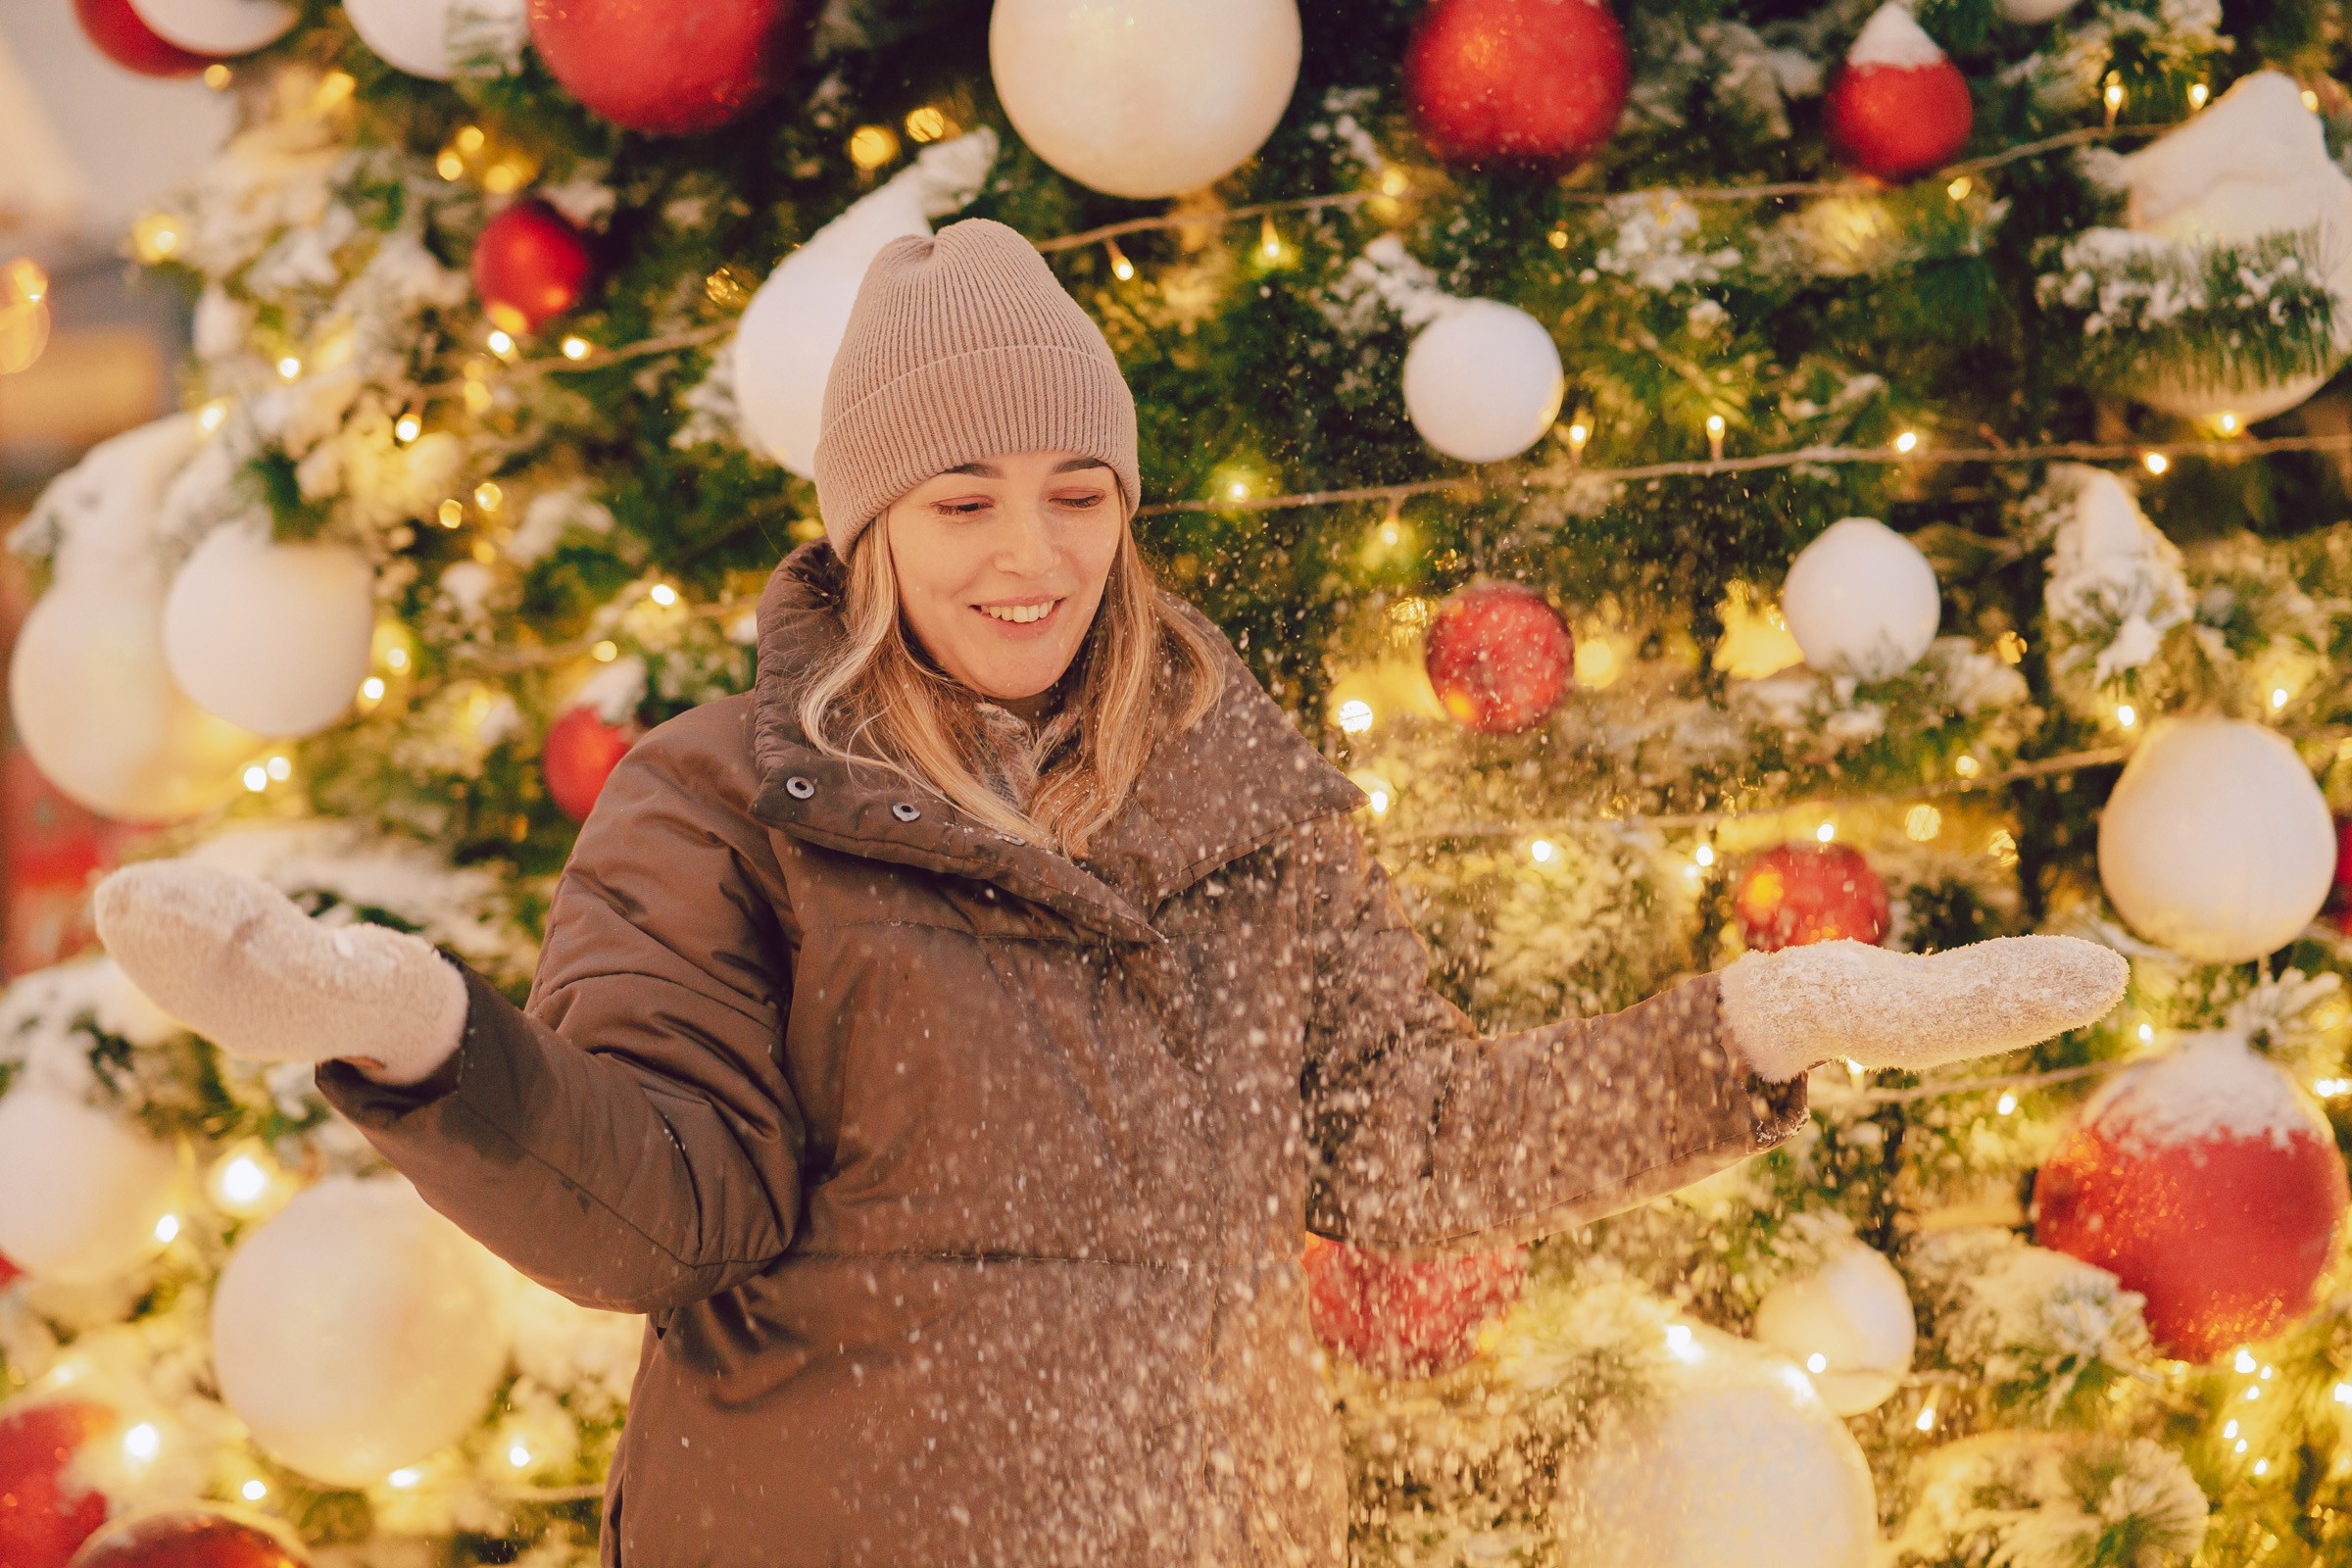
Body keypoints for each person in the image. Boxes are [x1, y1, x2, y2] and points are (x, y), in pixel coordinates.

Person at [94, 219, 2127, 1568]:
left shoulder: (1245, 791)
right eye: (963, 499)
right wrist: (418, 1038)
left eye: (1077, 495)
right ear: (872, 521)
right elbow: (659, 1204)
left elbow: (1409, 1142)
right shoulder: (723, 803)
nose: (1028, 553)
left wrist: (1750, 1029)